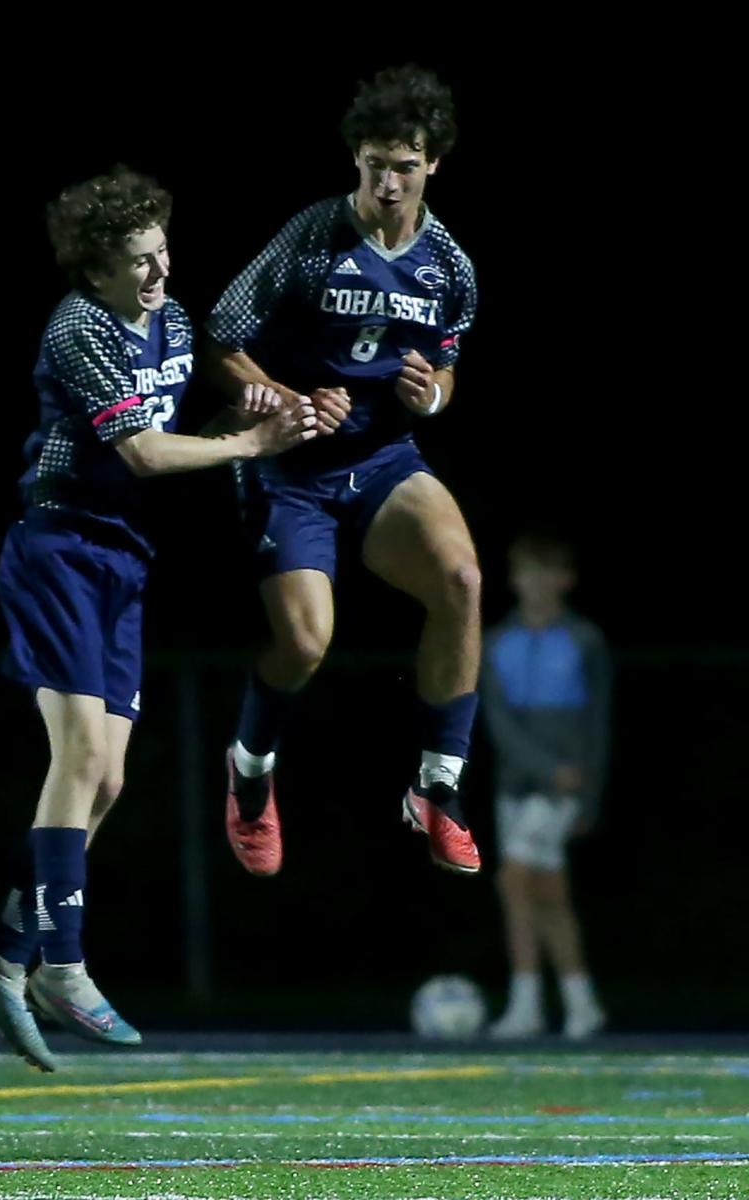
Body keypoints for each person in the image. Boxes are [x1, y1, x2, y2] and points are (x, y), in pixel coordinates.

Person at [0, 167, 316, 1071]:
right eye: (139, 262)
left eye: (162, 252)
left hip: (123, 557)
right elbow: (147, 451)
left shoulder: (174, 315)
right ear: (96, 270)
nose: (159, 273)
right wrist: (247, 443)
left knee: (107, 781)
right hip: (59, 547)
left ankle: (5, 960)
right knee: (79, 755)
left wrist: (267, 410)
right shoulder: (77, 329)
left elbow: (193, 418)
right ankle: (62, 966)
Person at [204, 65, 482, 878]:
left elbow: (450, 367)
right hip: (290, 467)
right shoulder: (311, 238)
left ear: (433, 164)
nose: (388, 183)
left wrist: (432, 396)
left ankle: (438, 785)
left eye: (405, 164)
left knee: (461, 579)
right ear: (354, 161)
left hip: (382, 458)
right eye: (374, 165)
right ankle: (251, 769)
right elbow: (220, 340)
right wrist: (285, 401)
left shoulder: (450, 268)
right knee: (306, 642)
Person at [481, 531, 610, 1040]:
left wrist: (587, 792)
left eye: (545, 573)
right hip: (517, 783)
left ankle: (527, 1001)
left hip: (564, 785)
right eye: (526, 573)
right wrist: (539, 766)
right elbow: (498, 719)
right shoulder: (497, 642)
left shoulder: (584, 640)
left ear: (565, 580)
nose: (534, 584)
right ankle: (579, 1003)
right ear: (514, 581)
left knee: (512, 880)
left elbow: (598, 722)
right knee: (544, 894)